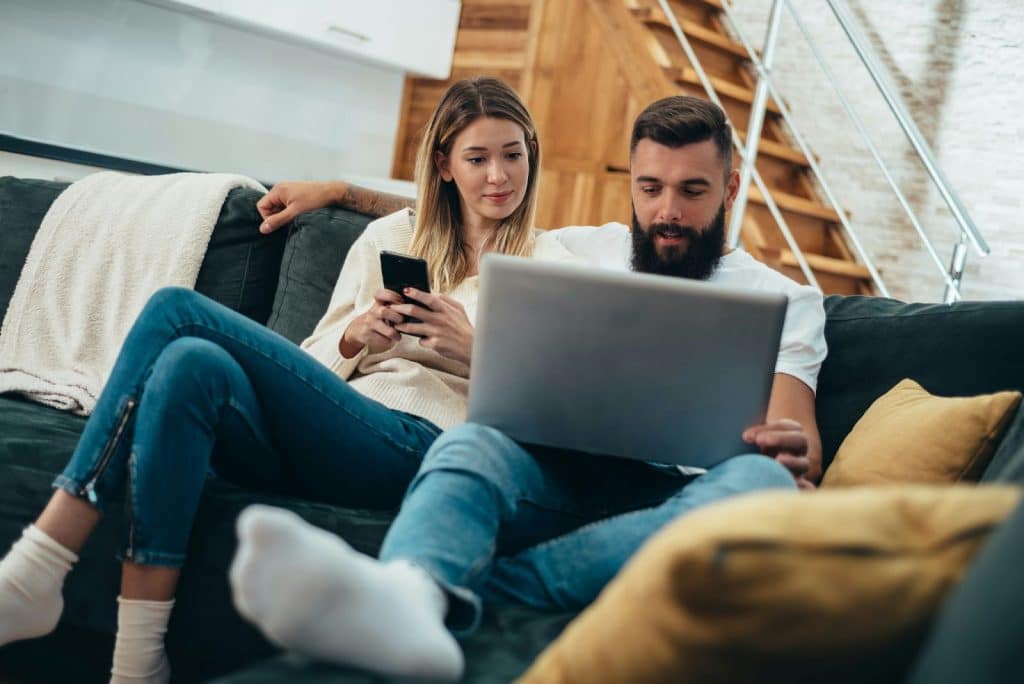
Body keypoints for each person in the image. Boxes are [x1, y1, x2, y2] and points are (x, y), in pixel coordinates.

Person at [225, 96, 828, 681]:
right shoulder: (585, 249)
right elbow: (464, 203)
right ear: (634, 185)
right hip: (562, 474)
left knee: (765, 483)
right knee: (475, 439)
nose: (668, 210)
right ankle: (409, 590)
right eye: (650, 188)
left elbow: (797, 442)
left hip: (683, 494)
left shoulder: (788, 301)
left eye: (692, 190)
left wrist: (787, 454)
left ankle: (454, 596)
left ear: (729, 187)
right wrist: (337, 193)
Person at [0, 76, 574, 684]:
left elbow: (553, 412)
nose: (498, 176)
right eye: (478, 158)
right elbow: (314, 360)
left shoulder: (550, 267)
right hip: (340, 423)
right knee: (187, 366)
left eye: (513, 154)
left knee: (175, 310)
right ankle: (138, 659)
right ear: (444, 165)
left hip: (424, 446)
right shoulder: (389, 238)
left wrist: (473, 352)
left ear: (532, 154)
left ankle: (39, 564)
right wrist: (356, 337)